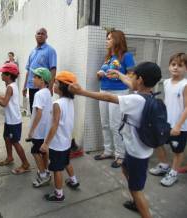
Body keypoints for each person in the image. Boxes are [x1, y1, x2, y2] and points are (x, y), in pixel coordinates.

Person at [69, 62, 162, 218]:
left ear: (139, 80)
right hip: (135, 150)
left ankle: (142, 208)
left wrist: (82, 92)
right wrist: (119, 75)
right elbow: (130, 82)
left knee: (137, 190)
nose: (129, 78)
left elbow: (108, 97)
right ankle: (135, 200)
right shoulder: (148, 95)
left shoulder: (136, 100)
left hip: (137, 154)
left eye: (132, 76)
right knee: (125, 170)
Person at [95, 30, 135, 168]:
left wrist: (118, 75)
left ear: (117, 40)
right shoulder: (108, 57)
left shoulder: (126, 56)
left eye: (109, 38)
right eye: (107, 38)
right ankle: (108, 151)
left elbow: (131, 77)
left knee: (115, 125)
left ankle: (120, 155)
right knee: (105, 123)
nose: (107, 41)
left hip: (118, 93)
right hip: (103, 90)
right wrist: (100, 74)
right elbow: (104, 72)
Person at [40, 71, 80, 202]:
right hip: (66, 141)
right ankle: (73, 181)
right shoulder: (69, 101)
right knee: (66, 162)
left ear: (63, 87)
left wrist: (46, 143)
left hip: (57, 144)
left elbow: (54, 125)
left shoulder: (57, 103)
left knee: (57, 169)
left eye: (56, 83)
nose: (53, 85)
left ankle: (59, 194)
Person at [149, 53, 187, 187]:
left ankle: (174, 172)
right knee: (158, 143)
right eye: (173, 64)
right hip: (165, 122)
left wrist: (178, 125)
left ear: (186, 68)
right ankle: (164, 165)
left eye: (180, 65)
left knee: (178, 151)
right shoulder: (166, 82)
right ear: (169, 66)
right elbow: (167, 101)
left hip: (180, 126)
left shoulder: (185, 84)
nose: (176, 67)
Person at [0, 63, 30, 174]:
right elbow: (5, 99)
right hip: (10, 119)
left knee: (15, 142)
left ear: (9, 75)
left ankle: (26, 164)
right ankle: (9, 157)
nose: (1, 75)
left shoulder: (10, 87)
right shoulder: (10, 86)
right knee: (6, 137)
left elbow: (4, 103)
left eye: (3, 73)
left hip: (14, 121)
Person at [27, 68, 52, 188]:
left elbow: (39, 113)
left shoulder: (38, 94)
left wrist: (31, 130)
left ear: (42, 80)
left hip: (38, 131)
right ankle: (46, 169)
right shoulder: (47, 92)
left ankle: (43, 176)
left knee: (35, 151)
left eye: (35, 77)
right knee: (43, 151)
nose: (33, 79)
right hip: (46, 130)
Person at [23, 28, 57, 113]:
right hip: (31, 87)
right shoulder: (32, 52)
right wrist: (25, 86)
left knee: (42, 113)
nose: (40, 35)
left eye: (43, 34)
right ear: (35, 36)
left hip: (42, 88)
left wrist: (50, 87)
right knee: (33, 111)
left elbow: (53, 70)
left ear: (46, 36)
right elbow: (28, 71)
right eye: (38, 33)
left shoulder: (50, 50)